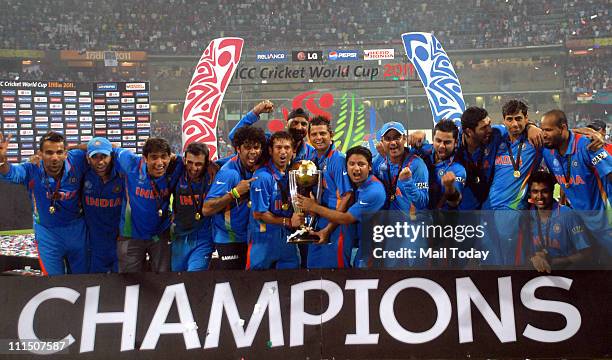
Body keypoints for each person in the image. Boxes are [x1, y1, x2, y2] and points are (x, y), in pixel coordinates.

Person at [0, 131, 88, 275]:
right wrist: (2, 160)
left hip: (76, 231)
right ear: (40, 154)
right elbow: (10, 173)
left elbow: (106, 148)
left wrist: (74, 147)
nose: (54, 158)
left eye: (59, 152)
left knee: (83, 281)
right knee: (53, 283)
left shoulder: (76, 160)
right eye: (49, 152)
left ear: (66, 153)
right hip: (47, 234)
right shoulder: (32, 168)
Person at [296, 146, 386, 268]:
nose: (356, 168)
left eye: (361, 164)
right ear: (346, 166)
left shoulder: (374, 191)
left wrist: (314, 207)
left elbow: (346, 218)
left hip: (376, 248)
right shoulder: (358, 185)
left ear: (369, 166)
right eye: (352, 164)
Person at [540, 109, 612, 260]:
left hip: (605, 222)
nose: (544, 134)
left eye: (548, 130)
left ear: (563, 128)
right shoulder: (548, 151)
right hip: (581, 224)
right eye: (542, 130)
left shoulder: (589, 145)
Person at [112, 137, 183, 273]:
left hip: (160, 234)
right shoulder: (130, 163)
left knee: (162, 280)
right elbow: (110, 148)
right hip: (130, 234)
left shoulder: (177, 165)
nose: (159, 163)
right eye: (154, 157)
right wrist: (73, 150)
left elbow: (199, 161)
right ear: (145, 158)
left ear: (170, 157)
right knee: (129, 282)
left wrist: (212, 166)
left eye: (163, 157)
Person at [203, 126, 267, 269]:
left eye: (256, 147)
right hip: (229, 240)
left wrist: (255, 113)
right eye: (247, 147)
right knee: (233, 286)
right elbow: (207, 209)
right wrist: (235, 193)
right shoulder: (229, 173)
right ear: (238, 149)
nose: (252, 152)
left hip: (253, 238)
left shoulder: (261, 168)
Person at [372, 121, 429, 267]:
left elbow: (423, 202)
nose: (393, 142)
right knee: (392, 271)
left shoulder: (417, 165)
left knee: (415, 272)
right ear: (382, 142)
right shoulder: (379, 163)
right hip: (390, 229)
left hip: (413, 228)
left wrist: (408, 183)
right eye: (388, 138)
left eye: (397, 137)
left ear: (404, 139)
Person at [247, 131, 303, 269]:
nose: (283, 152)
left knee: (290, 286)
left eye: (287, 148)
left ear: (293, 151)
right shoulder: (263, 177)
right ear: (271, 151)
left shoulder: (293, 175)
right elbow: (258, 214)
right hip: (263, 241)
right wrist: (288, 221)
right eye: (278, 148)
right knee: (255, 285)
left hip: (288, 242)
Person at [305, 116, 353, 269]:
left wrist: (328, 229)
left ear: (331, 135)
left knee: (336, 272)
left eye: (323, 133)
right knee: (313, 269)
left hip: (335, 223)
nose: (318, 138)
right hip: (318, 221)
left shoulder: (338, 160)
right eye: (314, 134)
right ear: (309, 137)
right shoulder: (312, 158)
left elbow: (347, 196)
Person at [525, 171, 592, 272]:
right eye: (535, 191)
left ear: (552, 191)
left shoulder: (567, 214)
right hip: (538, 275)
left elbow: (586, 253)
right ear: (530, 193)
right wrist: (533, 257)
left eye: (544, 191)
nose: (540, 196)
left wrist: (556, 261)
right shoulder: (527, 216)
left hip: (567, 274)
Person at [171, 142, 213, 272]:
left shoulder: (214, 172)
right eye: (190, 162)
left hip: (203, 238)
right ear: (184, 159)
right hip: (179, 237)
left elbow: (238, 156)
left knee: (194, 277)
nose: (193, 168)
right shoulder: (177, 169)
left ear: (207, 163)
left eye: (199, 164)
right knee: (177, 279)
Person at [83, 137, 123, 273]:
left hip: (119, 242)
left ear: (112, 156)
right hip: (95, 245)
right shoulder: (83, 175)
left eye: (104, 156)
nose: (100, 162)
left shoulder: (123, 175)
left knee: (121, 287)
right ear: (88, 158)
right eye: (95, 157)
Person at [228, 104, 316, 163]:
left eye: (304, 124)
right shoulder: (270, 141)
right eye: (295, 123)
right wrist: (255, 112)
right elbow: (233, 136)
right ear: (286, 124)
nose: (299, 127)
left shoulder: (311, 152)